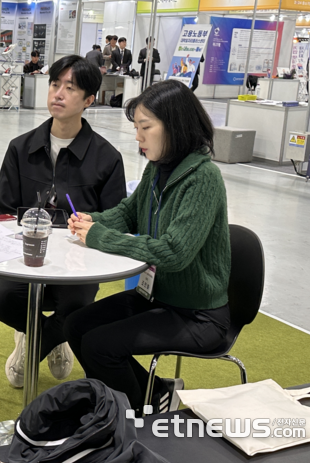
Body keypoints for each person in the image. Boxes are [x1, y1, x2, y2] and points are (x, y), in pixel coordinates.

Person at [64, 80, 231, 415]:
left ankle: (136, 420)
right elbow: (129, 213)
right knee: (75, 326)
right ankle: (151, 397)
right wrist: (91, 220)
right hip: (157, 298)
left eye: (146, 127)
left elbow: (174, 253)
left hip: (198, 315)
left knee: (100, 346)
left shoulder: (203, 178)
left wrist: (98, 235)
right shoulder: (157, 169)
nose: (138, 136)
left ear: (175, 127)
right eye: (136, 127)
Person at [0, 55, 127, 389]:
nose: (58, 93)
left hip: (78, 261)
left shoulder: (107, 158)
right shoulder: (20, 148)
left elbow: (114, 220)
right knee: (5, 300)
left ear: (89, 100)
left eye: (70, 88)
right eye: (55, 84)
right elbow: (5, 211)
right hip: (25, 255)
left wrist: (88, 231)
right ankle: (50, 334)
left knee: (79, 306)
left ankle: (36, 342)